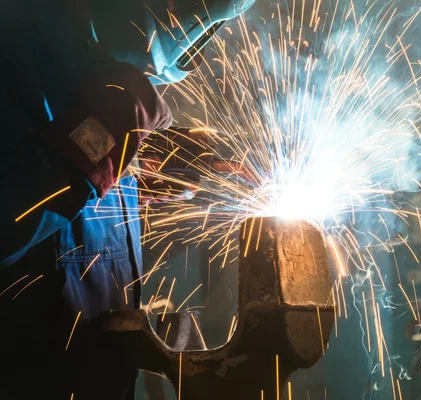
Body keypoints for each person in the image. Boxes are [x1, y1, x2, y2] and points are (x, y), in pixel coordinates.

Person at [0, 0, 254, 398]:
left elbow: (76, 207)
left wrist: (156, 164)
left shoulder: (89, 70)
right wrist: (109, 129)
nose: (189, 41)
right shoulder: (13, 47)